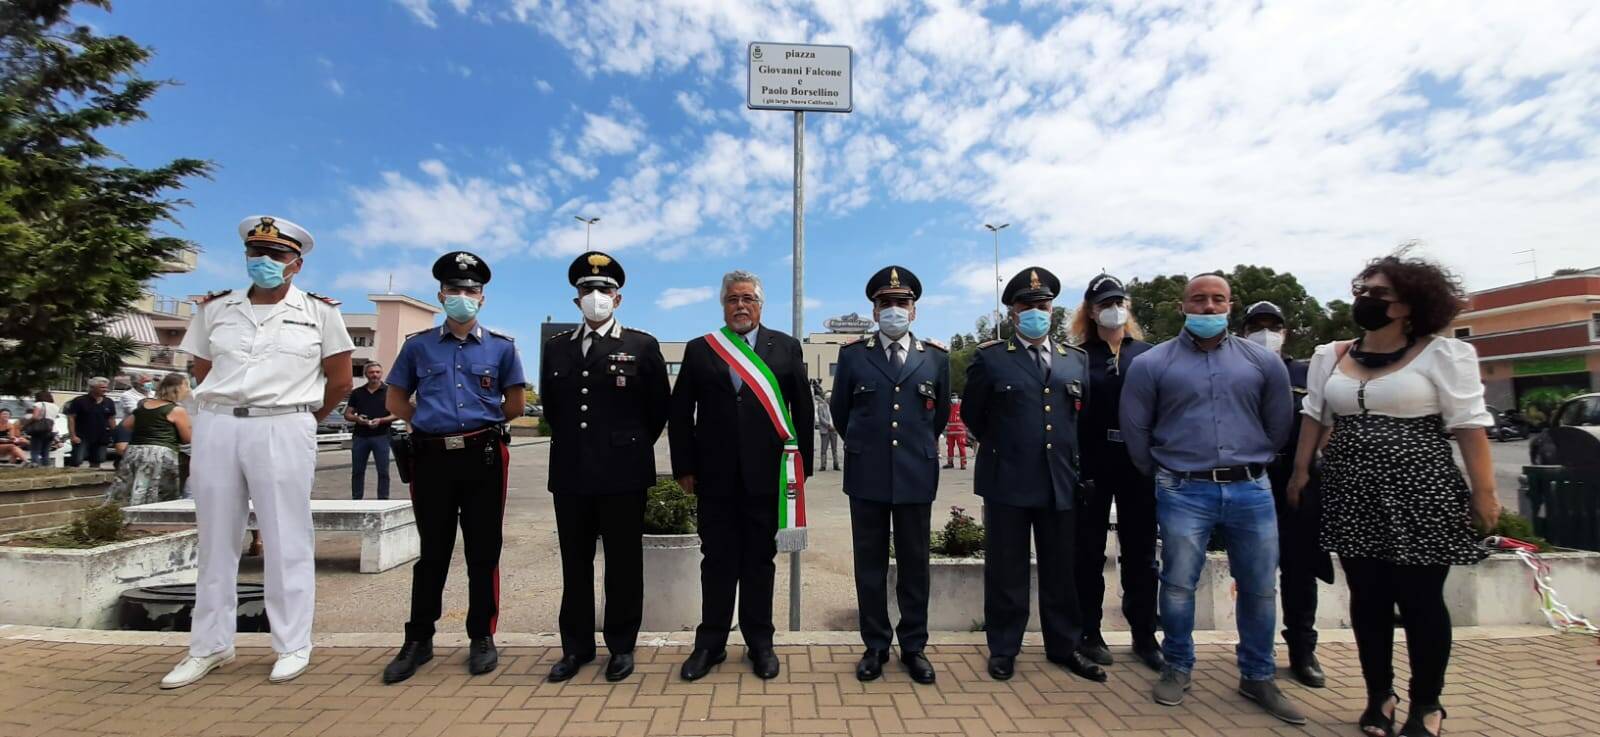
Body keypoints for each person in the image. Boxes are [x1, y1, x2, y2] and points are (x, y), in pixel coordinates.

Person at [1288, 254, 1499, 737]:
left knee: (1422, 599)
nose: (1366, 300)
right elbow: (1316, 416)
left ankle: (1427, 704)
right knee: (1368, 598)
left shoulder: (1442, 355)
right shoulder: (1332, 356)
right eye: (1363, 291)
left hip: (1421, 490)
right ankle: (1378, 695)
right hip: (1351, 490)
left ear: (1408, 305)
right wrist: (1300, 473)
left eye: (1379, 295)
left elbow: (1470, 426)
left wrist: (1485, 494)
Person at [160, 215, 354, 689]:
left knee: (286, 536)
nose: (265, 262)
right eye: (257, 253)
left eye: (277, 255)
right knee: (215, 538)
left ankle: (292, 644)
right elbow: (204, 370)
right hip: (220, 425)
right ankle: (209, 645)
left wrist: (304, 417)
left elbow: (341, 378)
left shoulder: (320, 313)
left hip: (283, 424)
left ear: (296, 263)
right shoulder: (215, 310)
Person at [1119, 274, 1302, 723]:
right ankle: (1177, 666)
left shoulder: (1262, 362)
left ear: (1230, 305)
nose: (1207, 307)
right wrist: (1163, 471)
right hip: (1184, 488)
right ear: (1184, 306)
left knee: (1259, 587)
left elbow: (1279, 423)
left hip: (1250, 489)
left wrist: (1252, 462)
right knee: (1178, 584)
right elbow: (1135, 428)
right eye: (1198, 299)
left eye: (1217, 299)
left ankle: (1257, 675)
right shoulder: (1153, 363)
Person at [381, 251, 525, 685]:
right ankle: (418, 640)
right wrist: (429, 421)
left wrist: (477, 422)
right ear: (441, 294)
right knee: (433, 553)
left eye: (470, 290)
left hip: (482, 456)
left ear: (482, 298)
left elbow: (515, 404)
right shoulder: (417, 346)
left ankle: (481, 635)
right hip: (430, 457)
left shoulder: (501, 348)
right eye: (454, 289)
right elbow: (394, 402)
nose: (462, 296)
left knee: (483, 552)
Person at [668, 270, 814, 682]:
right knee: (715, 562)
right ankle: (710, 643)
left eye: (748, 298)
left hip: (767, 477)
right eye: (733, 299)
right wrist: (684, 467)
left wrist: (801, 466)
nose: (740, 306)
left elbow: (801, 409)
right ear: (723, 304)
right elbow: (680, 415)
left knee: (758, 561)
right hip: (713, 478)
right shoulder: (701, 350)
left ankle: (760, 642)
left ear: (760, 304)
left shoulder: (785, 347)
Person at [962, 267, 1104, 684]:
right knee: (1007, 571)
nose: (1036, 313)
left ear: (1053, 310)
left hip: (1059, 481)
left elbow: (1082, 420)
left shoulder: (1073, 360)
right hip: (1006, 479)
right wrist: (1010, 446)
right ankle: (1004, 648)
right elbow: (973, 414)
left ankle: (1064, 646)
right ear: (1012, 314)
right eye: (1027, 307)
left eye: (1043, 306)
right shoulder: (990, 358)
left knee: (1061, 570)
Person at [538, 251, 669, 684]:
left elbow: (656, 412)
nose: (596, 295)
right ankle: (575, 648)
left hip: (623, 473)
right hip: (572, 472)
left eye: (604, 289)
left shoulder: (641, 345)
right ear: (577, 299)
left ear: (619, 298)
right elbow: (555, 410)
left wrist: (624, 446)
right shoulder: (557, 348)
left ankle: (621, 646)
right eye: (587, 290)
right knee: (574, 565)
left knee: (623, 563)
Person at [830, 266, 949, 685]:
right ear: (874, 309)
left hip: (916, 474)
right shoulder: (852, 355)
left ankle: (914, 646)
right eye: (886, 303)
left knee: (916, 565)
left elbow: (939, 420)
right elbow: (841, 413)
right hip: (868, 474)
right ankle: (876, 645)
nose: (894, 309)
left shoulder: (935, 357)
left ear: (914, 311)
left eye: (902, 303)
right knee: (870, 565)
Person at [1069, 273, 1164, 672]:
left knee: (1141, 553)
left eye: (1118, 300)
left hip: (1139, 461)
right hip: (1093, 460)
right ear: (1090, 311)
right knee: (1088, 551)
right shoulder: (1076, 357)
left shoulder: (1150, 354)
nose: (1113, 308)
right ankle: (1089, 632)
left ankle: (1144, 633)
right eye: (1104, 302)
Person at [1243, 300, 1333, 688]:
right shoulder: (1235, 371)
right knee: (1253, 575)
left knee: (1300, 570)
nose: (1266, 333)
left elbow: (1327, 417)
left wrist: (1311, 463)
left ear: (1285, 331)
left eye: (1272, 325)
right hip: (1249, 479)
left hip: (1297, 482)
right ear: (1243, 333)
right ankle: (1255, 652)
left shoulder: (1306, 372)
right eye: (1257, 326)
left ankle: (1302, 647)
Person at [106, 374, 192, 505]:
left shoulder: (144, 406)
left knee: (129, 486)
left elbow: (126, 424)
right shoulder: (176, 410)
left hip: (135, 451)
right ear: (178, 389)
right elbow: (187, 438)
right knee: (156, 490)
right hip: (160, 453)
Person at [344, 362, 396, 500]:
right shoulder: (357, 392)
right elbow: (347, 414)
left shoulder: (389, 391)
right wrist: (358, 419)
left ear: (381, 373)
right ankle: (357, 500)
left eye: (377, 372)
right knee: (357, 471)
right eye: (371, 372)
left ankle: (383, 501)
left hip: (382, 436)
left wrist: (381, 420)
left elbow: (396, 414)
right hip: (360, 436)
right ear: (366, 374)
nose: (375, 375)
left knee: (383, 472)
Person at [64, 377, 116, 468]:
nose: (105, 390)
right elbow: (71, 418)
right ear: (92, 388)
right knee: (77, 460)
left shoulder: (109, 402)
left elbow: (111, 419)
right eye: (102, 388)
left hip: (101, 436)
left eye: (106, 387)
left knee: (97, 460)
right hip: (82, 436)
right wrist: (73, 435)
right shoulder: (79, 401)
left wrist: (115, 434)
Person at [112, 375, 144, 459]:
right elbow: (134, 411)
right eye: (144, 381)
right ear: (136, 383)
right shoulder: (127, 395)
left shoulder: (154, 394)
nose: (149, 384)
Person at [24, 390, 59, 467]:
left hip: (39, 430)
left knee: (35, 451)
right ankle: (46, 468)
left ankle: (36, 467)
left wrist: (26, 424)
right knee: (46, 452)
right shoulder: (55, 406)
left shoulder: (38, 404)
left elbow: (35, 417)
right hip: (51, 430)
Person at [814, 381, 841, 472]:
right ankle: (823, 466)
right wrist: (829, 425)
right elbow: (821, 418)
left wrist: (836, 426)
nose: (831, 400)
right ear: (826, 399)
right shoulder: (821, 407)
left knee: (834, 449)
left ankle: (836, 465)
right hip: (825, 430)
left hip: (834, 430)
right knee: (823, 449)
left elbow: (838, 417)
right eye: (829, 398)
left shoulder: (835, 407)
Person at [943, 394, 967, 470]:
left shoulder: (962, 407)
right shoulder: (948, 407)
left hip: (960, 432)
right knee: (949, 448)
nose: (954, 399)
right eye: (952, 398)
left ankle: (963, 464)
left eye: (955, 398)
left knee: (961, 448)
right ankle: (950, 463)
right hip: (950, 432)